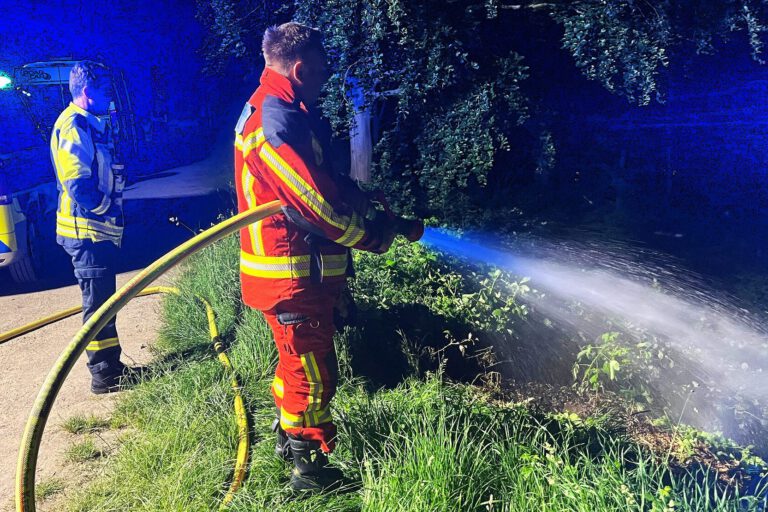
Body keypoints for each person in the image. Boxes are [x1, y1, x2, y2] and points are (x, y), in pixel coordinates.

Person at [234, 22, 412, 491]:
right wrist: (369, 237)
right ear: (298, 68)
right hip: (292, 275)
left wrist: (364, 200)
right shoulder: (273, 121)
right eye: (320, 72)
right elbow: (312, 205)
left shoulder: (287, 109)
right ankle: (307, 471)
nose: (325, 80)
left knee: (295, 366)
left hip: (299, 273)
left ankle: (286, 435)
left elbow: (322, 181)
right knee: (312, 374)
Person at [50, 60, 128, 394]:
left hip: (96, 230)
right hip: (86, 231)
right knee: (97, 307)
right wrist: (106, 208)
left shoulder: (90, 122)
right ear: (86, 92)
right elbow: (78, 186)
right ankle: (104, 375)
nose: (111, 96)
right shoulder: (73, 126)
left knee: (104, 304)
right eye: (105, 90)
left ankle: (112, 367)